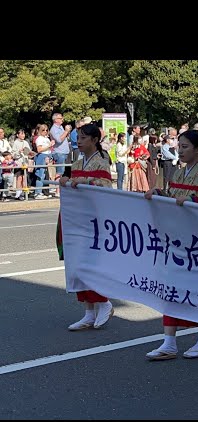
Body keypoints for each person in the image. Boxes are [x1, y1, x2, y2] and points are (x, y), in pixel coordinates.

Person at [144, 129, 198, 360]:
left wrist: (193, 200)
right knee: (170, 288)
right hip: (177, 240)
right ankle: (169, 342)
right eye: (179, 146)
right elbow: (171, 196)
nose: (180, 150)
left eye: (185, 147)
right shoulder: (178, 174)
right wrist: (158, 192)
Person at [59, 124, 116, 330]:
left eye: (83, 138)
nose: (79, 141)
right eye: (78, 138)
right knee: (78, 263)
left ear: (94, 140)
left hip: (95, 219)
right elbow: (72, 183)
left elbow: (106, 187)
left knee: (93, 264)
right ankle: (88, 311)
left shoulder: (101, 161)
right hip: (78, 218)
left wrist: (87, 180)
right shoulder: (77, 162)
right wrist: (66, 180)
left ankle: (104, 302)